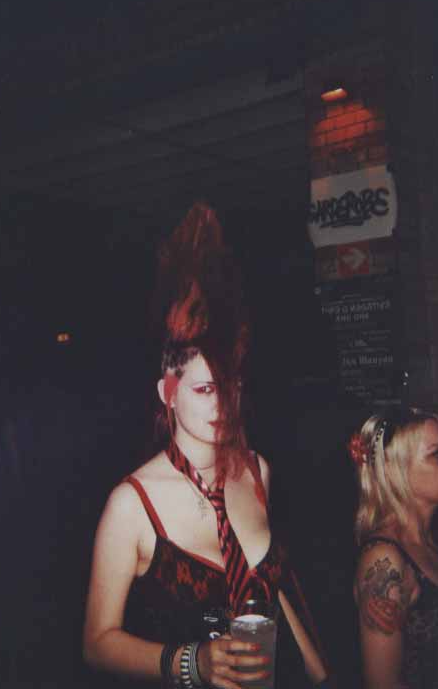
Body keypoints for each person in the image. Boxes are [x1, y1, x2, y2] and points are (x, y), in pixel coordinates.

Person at [83, 204, 329, 689]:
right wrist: (192, 663)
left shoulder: (256, 470)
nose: (223, 404)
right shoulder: (131, 504)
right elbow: (97, 643)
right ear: (168, 393)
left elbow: (272, 588)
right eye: (204, 389)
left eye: (230, 387)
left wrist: (321, 674)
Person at [349, 407, 438, 689]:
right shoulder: (385, 557)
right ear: (395, 470)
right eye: (437, 454)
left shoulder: (431, 540)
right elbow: (383, 684)